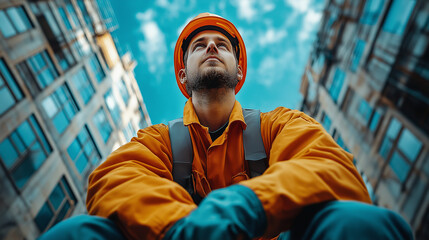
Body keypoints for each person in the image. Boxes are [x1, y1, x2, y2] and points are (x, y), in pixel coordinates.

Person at [40, 13, 413, 240]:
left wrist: (243, 206)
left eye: (222, 44)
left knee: (354, 222)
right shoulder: (156, 142)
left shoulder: (279, 125)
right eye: (199, 44)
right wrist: (178, 228)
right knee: (77, 234)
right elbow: (116, 178)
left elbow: (329, 168)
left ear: (239, 70)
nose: (212, 47)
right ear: (184, 74)